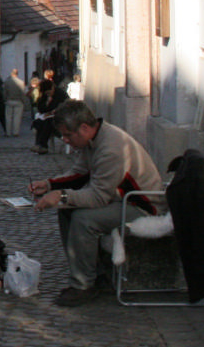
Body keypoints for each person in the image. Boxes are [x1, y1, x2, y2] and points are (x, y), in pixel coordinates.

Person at [29, 99, 163, 306]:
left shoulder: (111, 148)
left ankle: (83, 285)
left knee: (84, 219)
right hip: (121, 199)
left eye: (67, 134)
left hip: (142, 206)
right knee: (66, 211)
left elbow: (98, 197)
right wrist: (49, 185)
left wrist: (61, 196)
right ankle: (94, 273)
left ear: (84, 128)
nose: (65, 140)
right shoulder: (94, 139)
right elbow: (80, 172)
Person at [4, 68, 28, 136]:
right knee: (17, 118)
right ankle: (15, 132)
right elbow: (22, 93)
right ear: (17, 74)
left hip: (9, 100)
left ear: (11, 73)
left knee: (8, 117)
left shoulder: (7, 82)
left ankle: (8, 132)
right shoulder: (21, 82)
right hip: (18, 101)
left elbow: (4, 92)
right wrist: (23, 101)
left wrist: (5, 99)